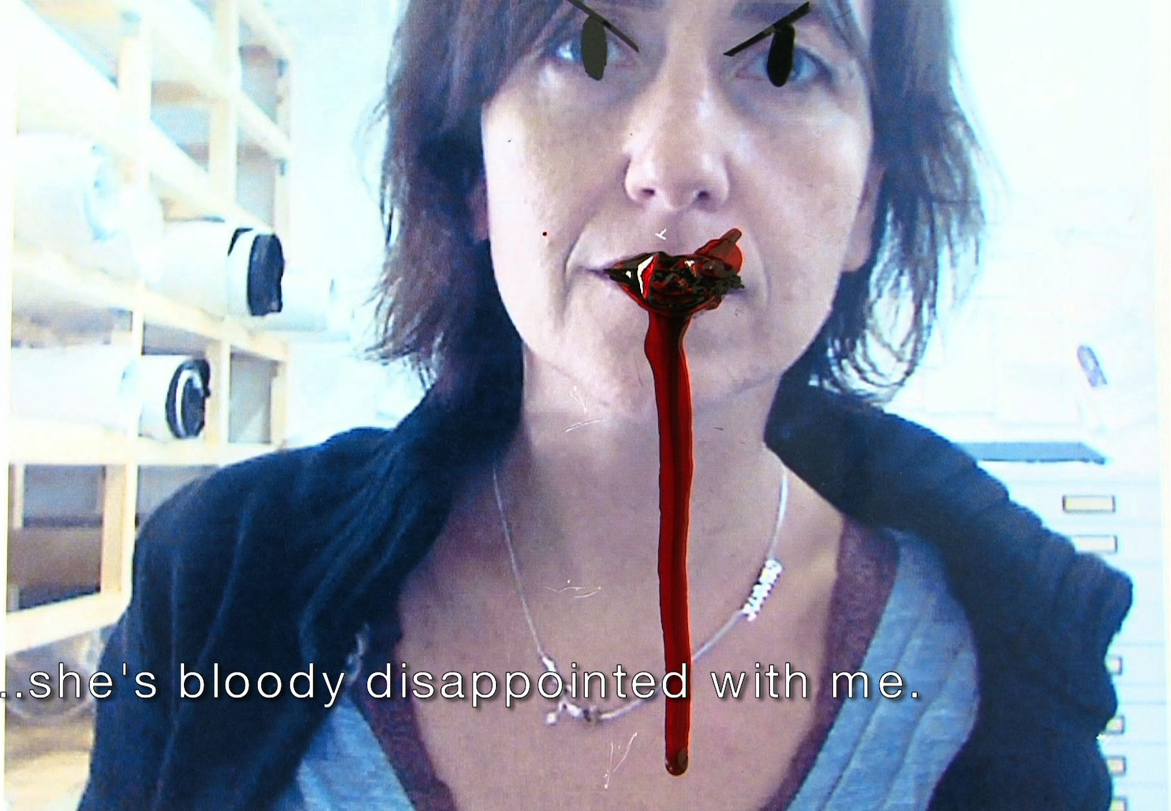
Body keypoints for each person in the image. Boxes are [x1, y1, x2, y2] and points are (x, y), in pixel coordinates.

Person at [77, 0, 1132, 808]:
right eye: (585, 46)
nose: (675, 166)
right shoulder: (221, 584)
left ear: (866, 202)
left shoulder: (997, 689)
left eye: (784, 59)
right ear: (477, 172)